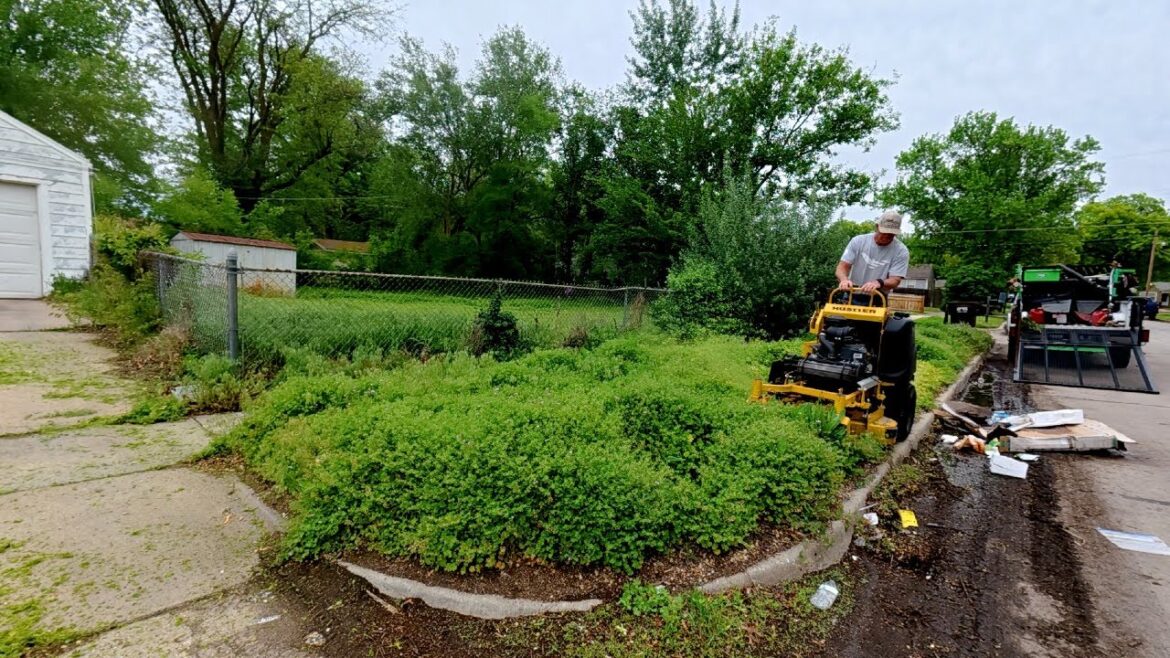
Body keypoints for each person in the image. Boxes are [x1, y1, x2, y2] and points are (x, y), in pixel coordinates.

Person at [835, 211, 910, 294]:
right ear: (877, 227)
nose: (886, 236)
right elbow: (842, 267)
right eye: (884, 232)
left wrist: (879, 283)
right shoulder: (858, 241)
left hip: (878, 296)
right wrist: (844, 280)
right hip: (852, 292)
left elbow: (895, 280)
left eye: (891, 234)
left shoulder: (901, 251)